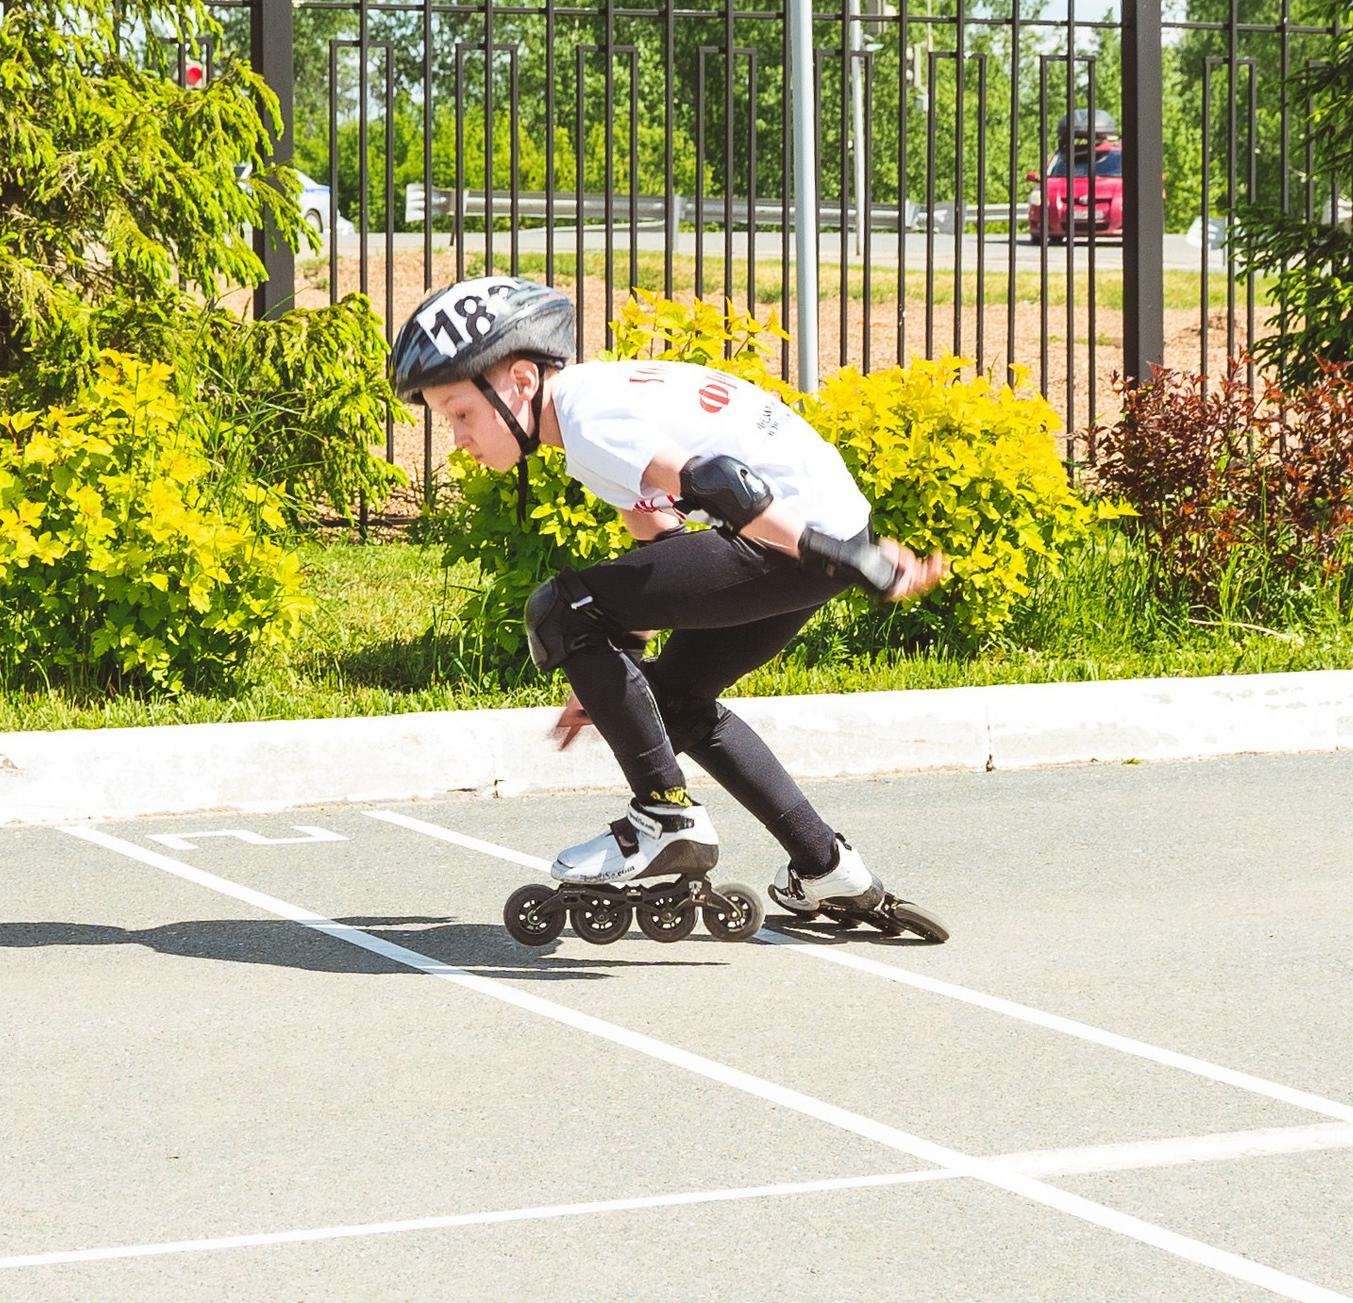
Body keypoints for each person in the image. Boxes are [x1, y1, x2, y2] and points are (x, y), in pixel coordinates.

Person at [390, 273, 951, 924]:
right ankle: (828, 867)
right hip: (809, 535)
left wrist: (844, 558)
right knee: (676, 702)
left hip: (795, 539)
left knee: (559, 605)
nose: (456, 436)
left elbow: (720, 483)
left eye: (460, 412)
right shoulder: (587, 409)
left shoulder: (584, 413)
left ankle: (663, 817)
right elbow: (659, 537)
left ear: (518, 380)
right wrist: (607, 674)